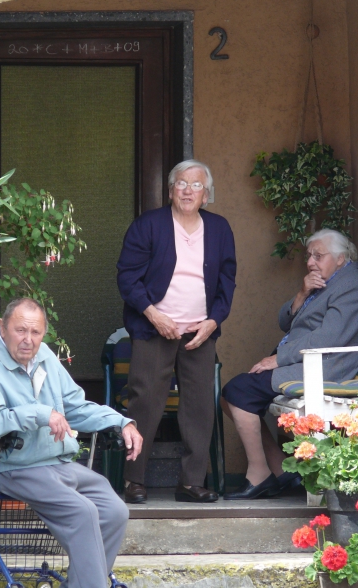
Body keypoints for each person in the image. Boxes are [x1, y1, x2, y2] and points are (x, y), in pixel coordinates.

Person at [0, 297, 143, 588]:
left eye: (36, 332)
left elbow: (75, 407)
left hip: (58, 460)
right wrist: (41, 414)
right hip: (14, 465)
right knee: (83, 512)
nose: (28, 340)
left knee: (114, 511)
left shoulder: (44, 355)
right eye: (20, 330)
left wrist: (121, 422)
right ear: (2, 328)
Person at [116, 160, 236, 504]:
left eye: (196, 185)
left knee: (199, 406)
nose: (187, 190)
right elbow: (127, 277)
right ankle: (134, 480)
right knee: (145, 402)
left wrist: (213, 321)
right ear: (170, 191)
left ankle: (191, 482)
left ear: (206, 195)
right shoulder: (148, 225)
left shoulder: (219, 228)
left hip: (199, 333)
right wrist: (154, 315)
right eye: (181, 183)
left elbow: (227, 281)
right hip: (155, 329)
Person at [221, 229, 358, 500]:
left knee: (238, 391)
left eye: (318, 256)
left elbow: (329, 338)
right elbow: (284, 322)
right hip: (309, 361)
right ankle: (280, 470)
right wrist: (302, 293)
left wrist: (279, 359)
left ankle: (259, 474)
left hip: (326, 367)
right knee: (233, 395)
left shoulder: (351, 285)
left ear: (340, 258)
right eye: (309, 256)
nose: (311, 262)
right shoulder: (326, 282)